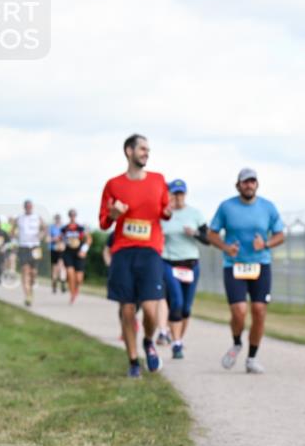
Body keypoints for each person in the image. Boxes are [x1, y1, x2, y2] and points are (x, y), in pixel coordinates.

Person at [99, 133, 171, 378]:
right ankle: (133, 362)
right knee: (127, 310)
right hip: (122, 253)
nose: (146, 153)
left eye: (148, 149)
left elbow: (165, 212)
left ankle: (148, 341)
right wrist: (114, 214)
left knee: (151, 310)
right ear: (128, 151)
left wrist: (169, 210)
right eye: (142, 149)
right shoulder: (113, 185)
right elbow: (103, 223)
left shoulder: (159, 180)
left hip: (150, 251)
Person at [208, 168, 285, 374]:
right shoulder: (226, 207)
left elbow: (281, 234)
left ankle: (252, 358)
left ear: (257, 184)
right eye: (245, 182)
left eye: (252, 182)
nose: (249, 185)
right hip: (234, 265)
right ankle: (236, 342)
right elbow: (211, 233)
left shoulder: (268, 207)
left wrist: (266, 244)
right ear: (238, 185)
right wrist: (225, 247)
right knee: (239, 311)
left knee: (259, 311)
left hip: (261, 265)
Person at [161, 179, 208, 359]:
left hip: (191, 265)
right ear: (170, 194)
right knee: (177, 302)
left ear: (185, 194)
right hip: (169, 263)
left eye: (181, 193)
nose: (178, 197)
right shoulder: (164, 214)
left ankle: (178, 338)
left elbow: (208, 238)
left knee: (186, 308)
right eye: (175, 193)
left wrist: (195, 233)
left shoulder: (195, 214)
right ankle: (177, 343)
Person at [13, 200, 45, 306]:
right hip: (23, 247)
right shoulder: (19, 218)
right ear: (24, 207)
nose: (28, 208)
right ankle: (27, 296)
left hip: (35, 247)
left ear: (32, 207)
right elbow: (12, 231)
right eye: (27, 206)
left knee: (34, 272)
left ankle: (31, 291)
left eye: (30, 206)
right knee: (25, 270)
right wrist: (14, 237)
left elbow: (44, 229)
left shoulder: (38, 218)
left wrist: (41, 235)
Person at [60, 209, 91, 304]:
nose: (72, 217)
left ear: (76, 216)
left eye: (74, 215)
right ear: (69, 216)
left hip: (79, 253)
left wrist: (84, 250)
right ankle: (72, 294)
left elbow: (89, 239)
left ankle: (76, 289)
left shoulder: (81, 228)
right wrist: (59, 244)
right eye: (71, 215)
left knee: (79, 278)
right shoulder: (64, 228)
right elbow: (60, 239)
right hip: (68, 253)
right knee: (70, 273)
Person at [48, 213, 67, 294]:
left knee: (62, 266)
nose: (58, 220)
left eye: (59, 219)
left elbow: (67, 239)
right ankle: (54, 284)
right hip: (53, 249)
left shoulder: (64, 228)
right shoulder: (51, 228)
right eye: (57, 219)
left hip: (62, 249)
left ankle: (63, 282)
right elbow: (48, 239)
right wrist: (54, 239)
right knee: (55, 268)